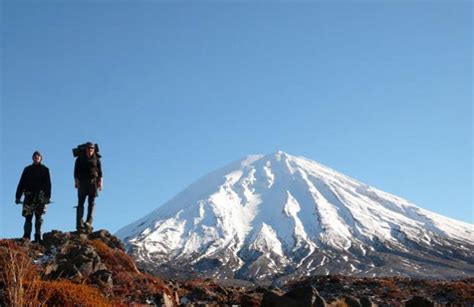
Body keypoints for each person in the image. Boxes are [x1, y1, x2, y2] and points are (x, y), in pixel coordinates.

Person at [15, 151, 52, 243]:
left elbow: (48, 184)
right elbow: (21, 183)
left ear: (40, 158)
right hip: (28, 195)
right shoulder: (27, 169)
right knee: (28, 216)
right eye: (35, 156)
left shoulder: (45, 169)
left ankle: (38, 236)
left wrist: (47, 197)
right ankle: (26, 236)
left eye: (38, 156)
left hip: (40, 197)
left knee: (39, 217)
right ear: (32, 158)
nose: (36, 157)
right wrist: (18, 196)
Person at [74, 142, 103, 234]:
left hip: (93, 182)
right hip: (82, 182)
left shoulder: (96, 159)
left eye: (92, 148)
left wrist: (100, 182)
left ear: (94, 149)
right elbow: (75, 172)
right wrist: (76, 182)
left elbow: (100, 172)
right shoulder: (80, 159)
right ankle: (79, 223)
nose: (90, 150)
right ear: (85, 149)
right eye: (88, 148)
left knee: (91, 203)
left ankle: (88, 222)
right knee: (80, 203)